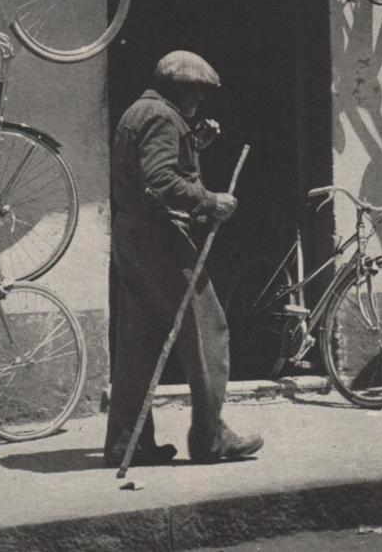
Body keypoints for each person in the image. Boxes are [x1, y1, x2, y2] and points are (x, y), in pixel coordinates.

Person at [103, 50, 264, 467]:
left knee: (139, 340)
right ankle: (211, 437)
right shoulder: (162, 117)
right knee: (207, 328)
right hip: (158, 236)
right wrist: (211, 202)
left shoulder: (138, 113)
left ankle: (127, 443)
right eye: (198, 95)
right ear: (182, 90)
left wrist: (194, 144)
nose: (200, 104)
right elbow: (159, 180)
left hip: (131, 235)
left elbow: (153, 169)